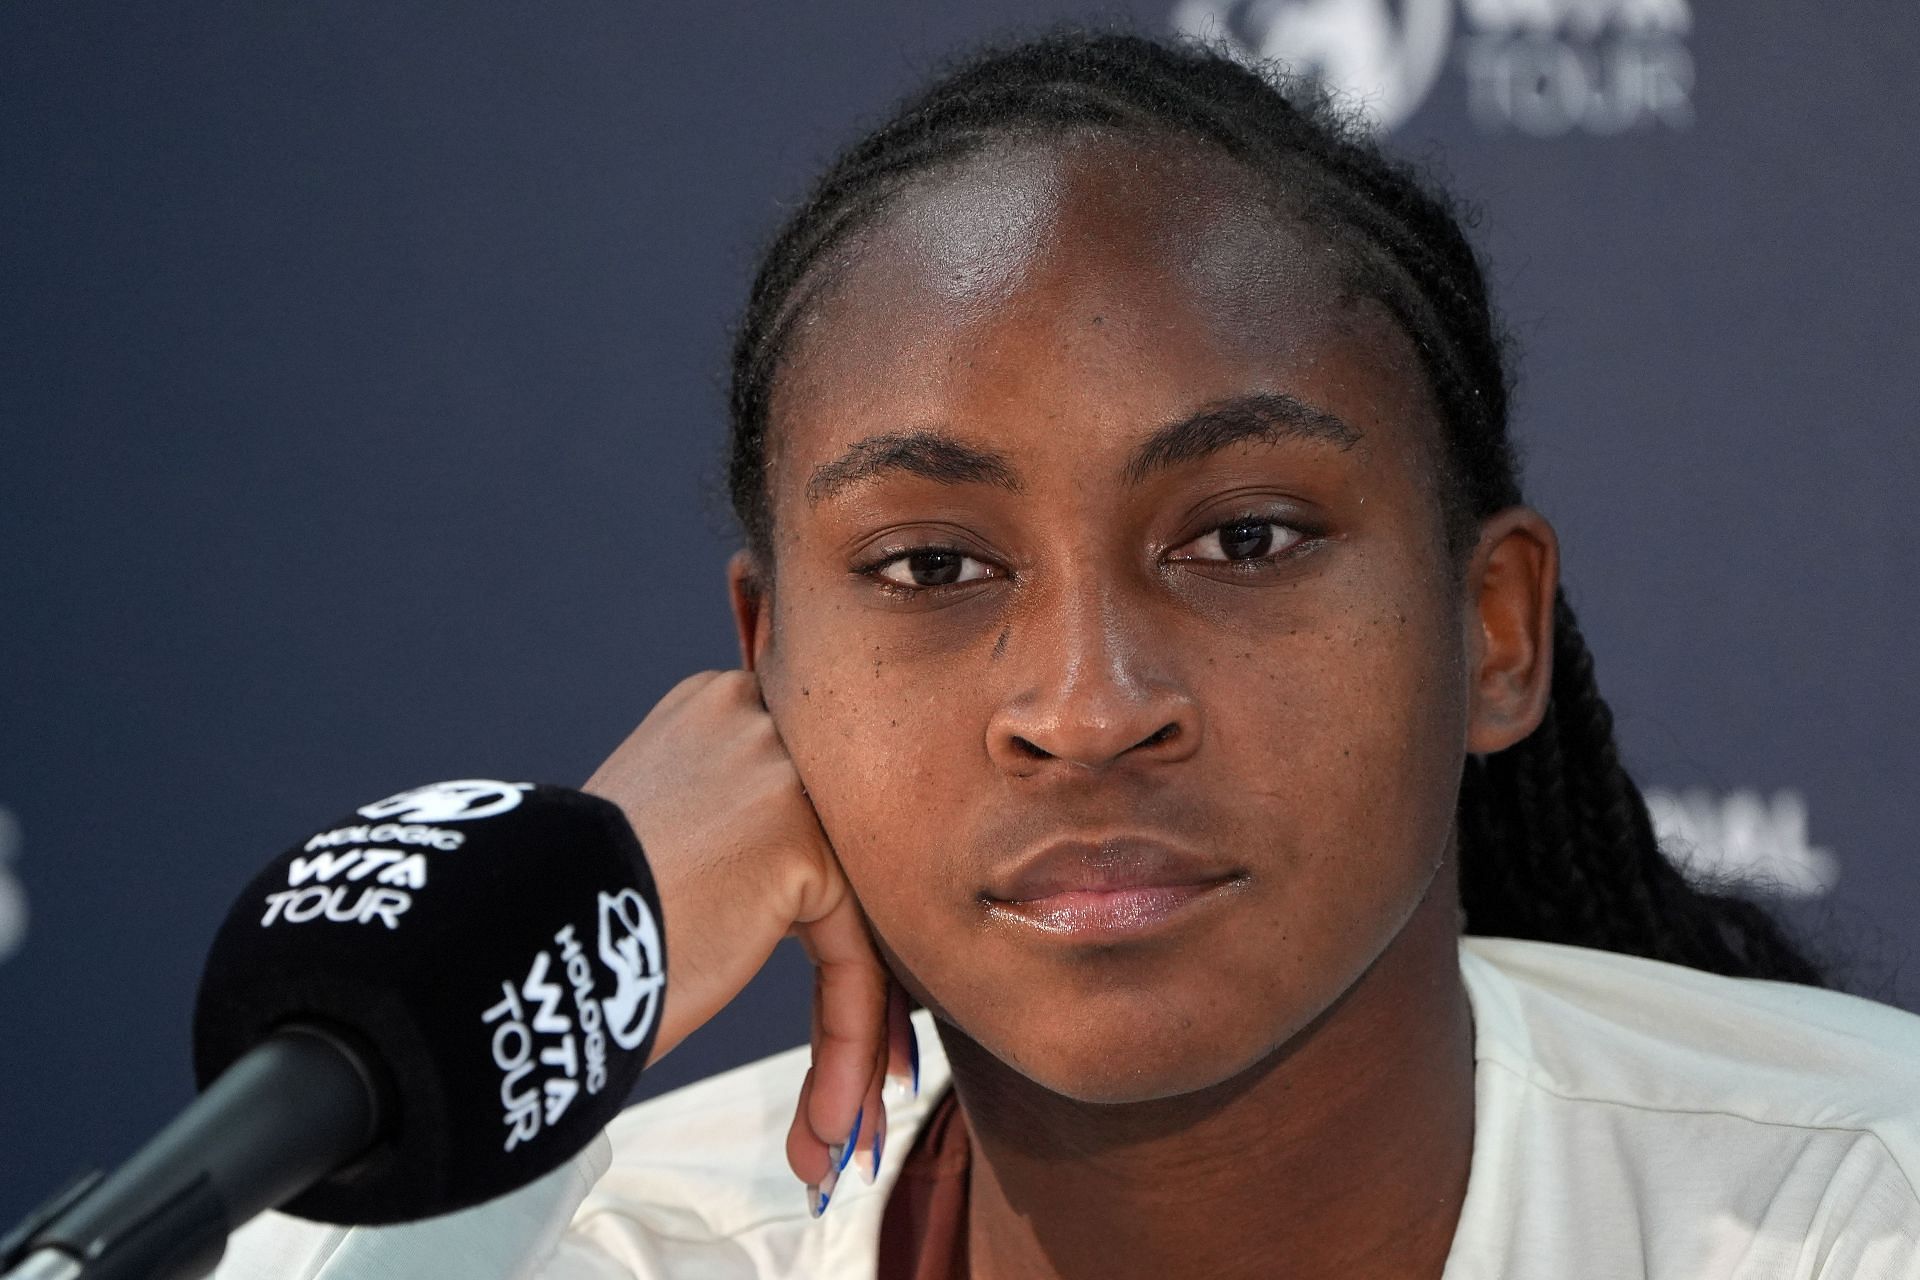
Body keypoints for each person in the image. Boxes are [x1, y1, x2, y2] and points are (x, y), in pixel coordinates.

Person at [217, 30, 1920, 1280]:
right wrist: (569, 960)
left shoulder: (1863, 1210)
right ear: (767, 674)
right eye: (933, 565)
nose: (1088, 711)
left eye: (1244, 540)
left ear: (1493, 633)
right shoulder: (583, 1254)